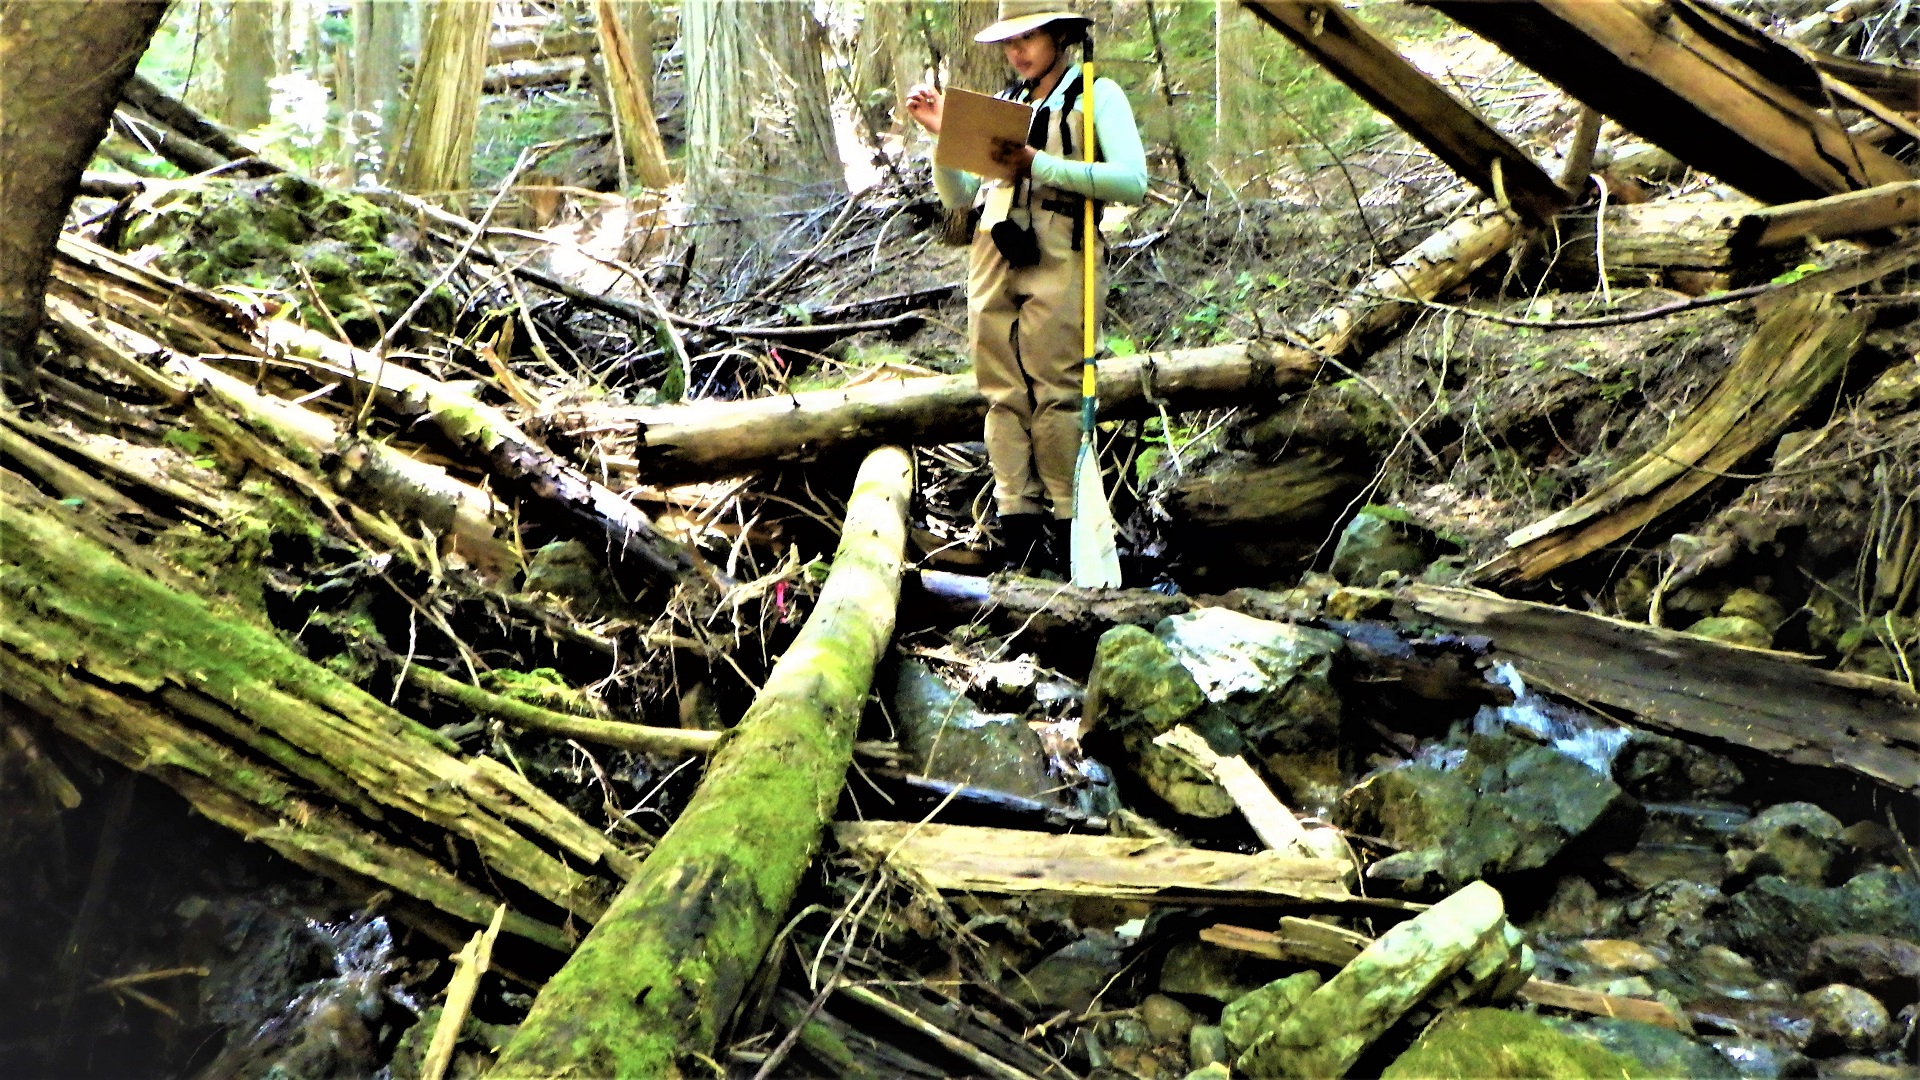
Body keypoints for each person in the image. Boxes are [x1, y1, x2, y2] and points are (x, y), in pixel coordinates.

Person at [905, 1, 1147, 573]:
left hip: (1063, 245)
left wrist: (1040, 164)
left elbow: (1133, 182)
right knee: (1001, 394)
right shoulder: (1004, 107)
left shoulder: (1097, 94)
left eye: (1029, 37)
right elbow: (959, 197)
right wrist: (944, 137)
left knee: (1056, 388)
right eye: (1009, 41)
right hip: (994, 246)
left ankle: (1070, 535)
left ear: (1059, 36)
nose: (1017, 51)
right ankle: (1019, 532)